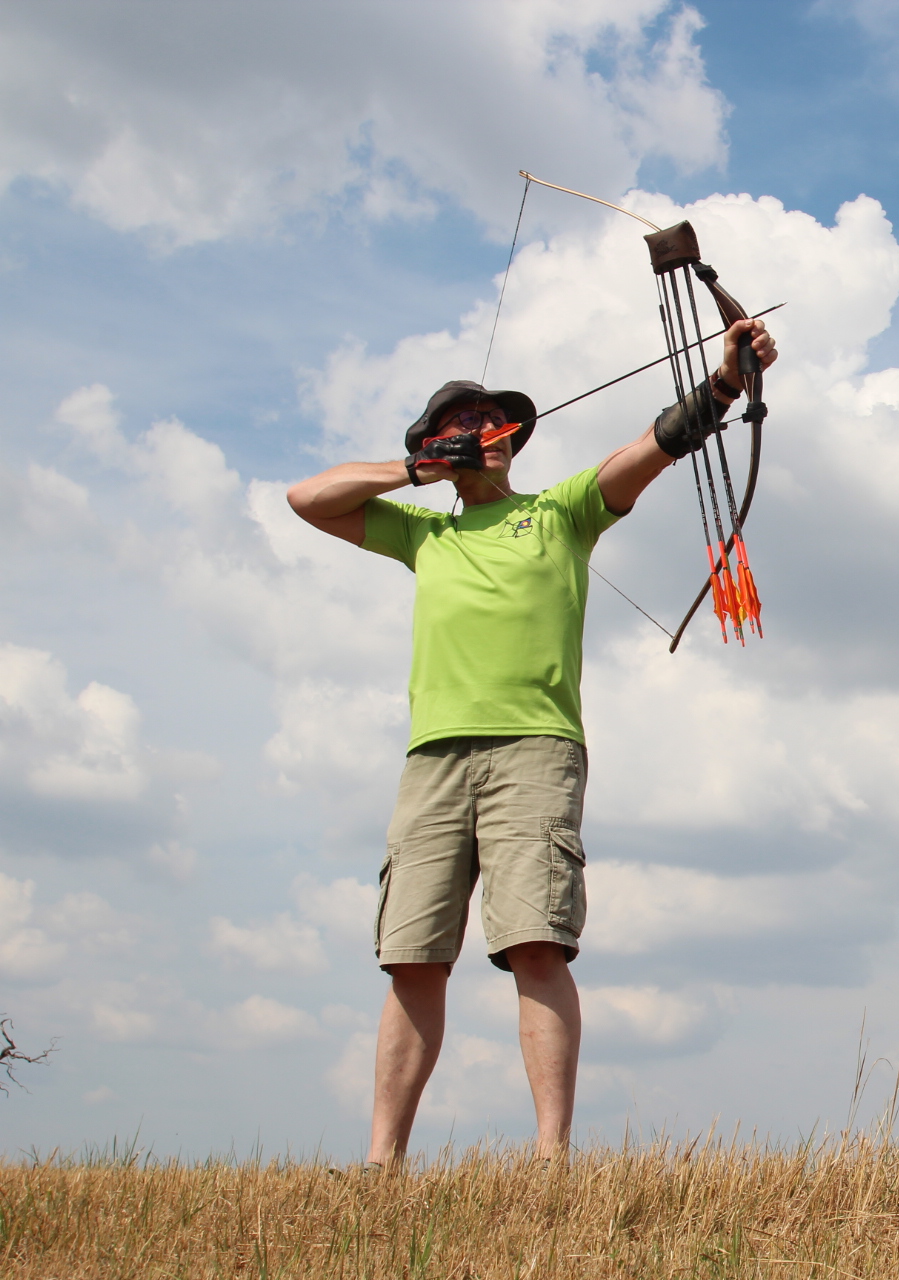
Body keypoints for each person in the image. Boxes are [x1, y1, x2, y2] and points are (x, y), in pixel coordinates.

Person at [287, 317, 777, 1168]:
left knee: (535, 943)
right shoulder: (422, 534)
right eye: (463, 423)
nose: (485, 430)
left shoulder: (560, 513)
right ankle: (379, 1166)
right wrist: (420, 471)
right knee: (412, 957)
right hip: (433, 757)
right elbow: (306, 499)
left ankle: (551, 1161)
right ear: (437, 446)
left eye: (493, 420)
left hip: (535, 749)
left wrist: (726, 382)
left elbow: (654, 447)